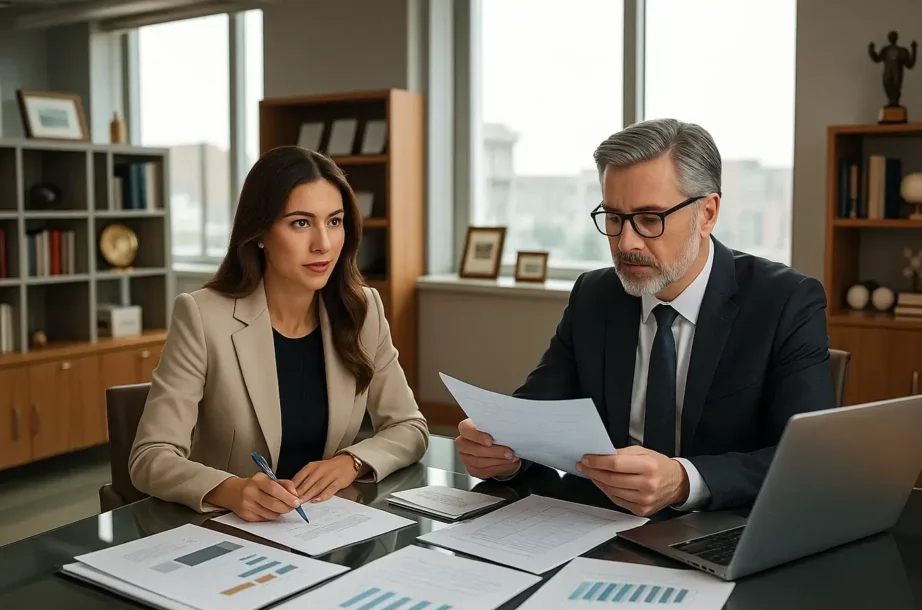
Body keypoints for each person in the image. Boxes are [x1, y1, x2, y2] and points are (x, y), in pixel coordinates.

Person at [455, 119, 834, 516]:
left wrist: (684, 480)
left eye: (650, 219)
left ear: (707, 213)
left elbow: (807, 459)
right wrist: (502, 451)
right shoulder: (595, 295)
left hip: (724, 527)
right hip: (601, 522)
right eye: (614, 218)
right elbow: (538, 410)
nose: (626, 242)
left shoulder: (785, 301)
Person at [129, 146, 428, 519]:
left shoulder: (362, 310)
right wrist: (232, 491)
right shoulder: (203, 316)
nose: (323, 243)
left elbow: (409, 426)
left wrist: (351, 462)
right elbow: (150, 456)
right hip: (230, 532)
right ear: (259, 233)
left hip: (326, 527)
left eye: (334, 221)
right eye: (301, 223)